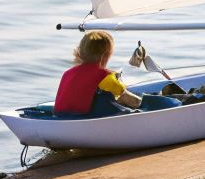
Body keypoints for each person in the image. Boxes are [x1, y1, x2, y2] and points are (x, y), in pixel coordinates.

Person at [54, 31, 182, 116]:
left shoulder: (67, 73)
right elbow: (134, 102)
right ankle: (182, 100)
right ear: (106, 55)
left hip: (62, 117)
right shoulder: (104, 77)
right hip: (86, 120)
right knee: (144, 101)